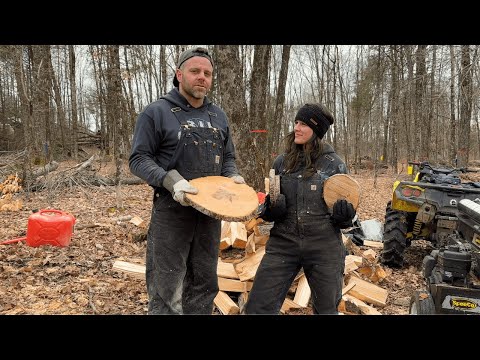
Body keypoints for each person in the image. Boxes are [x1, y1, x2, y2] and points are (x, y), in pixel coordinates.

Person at [129, 47, 245, 314]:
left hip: (210, 214)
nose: (202, 77)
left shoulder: (218, 115)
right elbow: (138, 159)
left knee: (204, 284)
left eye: (207, 73)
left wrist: (232, 177)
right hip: (172, 213)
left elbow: (228, 158)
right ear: (179, 74)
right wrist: (170, 180)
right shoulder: (157, 112)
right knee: (167, 288)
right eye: (195, 71)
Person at [244, 103, 356, 315]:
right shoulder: (282, 163)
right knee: (258, 307)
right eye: (296, 122)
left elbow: (348, 213)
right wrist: (270, 210)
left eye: (303, 124)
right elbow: (270, 200)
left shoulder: (334, 165)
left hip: (324, 246)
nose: (297, 127)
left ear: (317, 130)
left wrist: (345, 217)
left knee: (326, 309)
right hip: (283, 243)